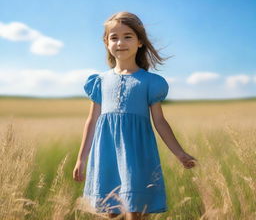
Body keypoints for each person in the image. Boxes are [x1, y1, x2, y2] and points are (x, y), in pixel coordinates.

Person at [73, 12, 197, 220]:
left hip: (137, 156)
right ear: (106, 42)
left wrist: (179, 153)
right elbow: (92, 121)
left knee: (134, 212)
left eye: (128, 36)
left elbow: (159, 121)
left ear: (140, 42)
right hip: (106, 155)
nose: (120, 42)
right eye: (114, 37)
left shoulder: (150, 81)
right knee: (111, 211)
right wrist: (81, 159)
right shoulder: (99, 81)